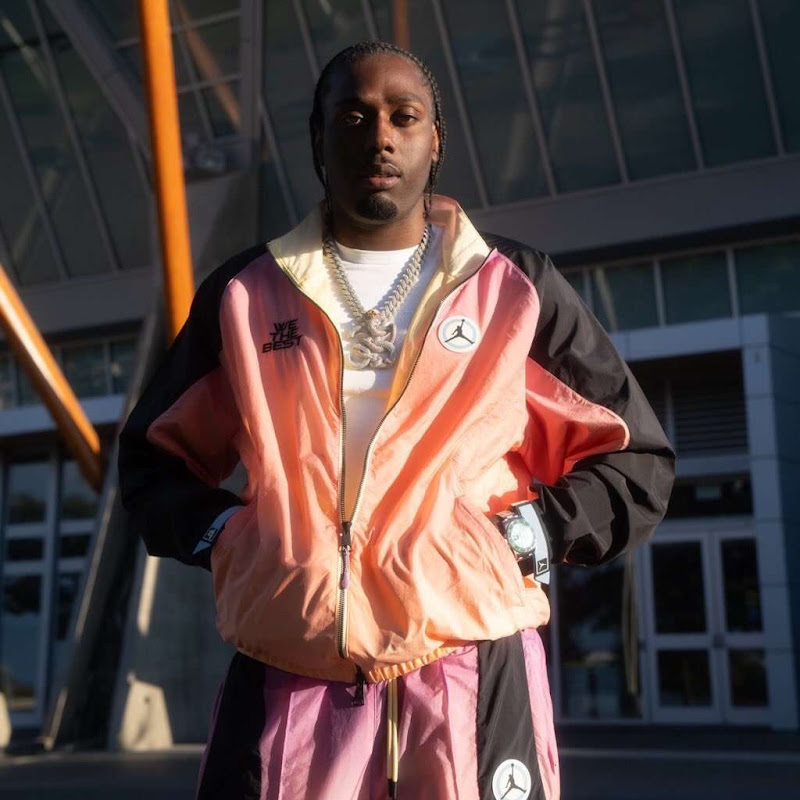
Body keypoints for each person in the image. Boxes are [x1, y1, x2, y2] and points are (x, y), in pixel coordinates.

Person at [118, 41, 674, 800]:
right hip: (288, 675)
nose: (379, 135)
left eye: (403, 116)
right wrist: (233, 537)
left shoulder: (511, 287)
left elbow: (634, 459)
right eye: (353, 116)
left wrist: (520, 536)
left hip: (469, 666)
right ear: (318, 138)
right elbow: (154, 459)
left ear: (433, 140)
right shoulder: (247, 293)